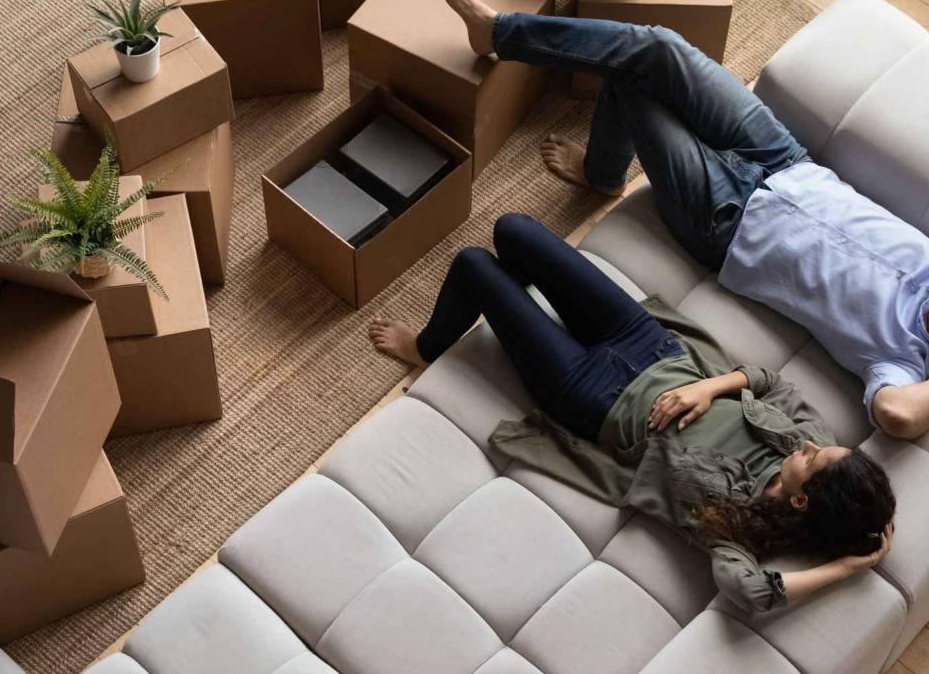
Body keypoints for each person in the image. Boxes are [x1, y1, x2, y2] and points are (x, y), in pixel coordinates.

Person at [426, 0, 929, 440]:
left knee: (631, 86)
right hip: (786, 162)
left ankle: (605, 173)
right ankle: (499, 36)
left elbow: (897, 418)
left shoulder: (901, 361)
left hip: (724, 222)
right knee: (656, 49)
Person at [367, 212, 896, 614]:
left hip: (592, 395)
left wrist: (847, 568)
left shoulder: (739, 530)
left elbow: (747, 590)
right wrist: (710, 387)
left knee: (473, 265)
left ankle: (429, 347)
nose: (809, 444)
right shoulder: (810, 438)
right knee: (513, 230)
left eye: (813, 458)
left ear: (803, 499)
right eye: (820, 447)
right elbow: (768, 381)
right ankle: (513, 303)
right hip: (652, 347)